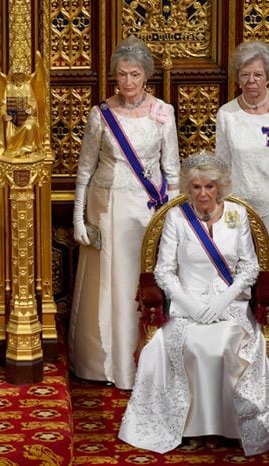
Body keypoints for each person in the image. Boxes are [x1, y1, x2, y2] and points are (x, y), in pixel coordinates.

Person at [119, 152, 269, 455]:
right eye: (197, 187)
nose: (203, 194)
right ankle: (193, 429)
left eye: (210, 187)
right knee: (196, 346)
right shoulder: (177, 217)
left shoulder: (236, 216)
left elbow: (249, 268)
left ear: (220, 187)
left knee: (224, 345)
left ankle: (226, 428)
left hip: (230, 307)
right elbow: (163, 271)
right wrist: (190, 305)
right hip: (188, 307)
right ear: (189, 188)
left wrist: (223, 301)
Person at [69, 36, 181, 390]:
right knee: (106, 284)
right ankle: (100, 363)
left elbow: (173, 172)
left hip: (146, 212)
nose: (128, 82)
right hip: (104, 207)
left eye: (134, 74)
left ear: (146, 75)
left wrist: (173, 221)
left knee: (140, 282)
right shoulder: (100, 114)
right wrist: (77, 218)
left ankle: (144, 360)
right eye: (121, 75)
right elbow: (84, 169)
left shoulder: (163, 113)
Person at [215, 40, 269, 233]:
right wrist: (221, 205)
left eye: (258, 75)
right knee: (235, 259)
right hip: (235, 205)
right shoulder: (227, 114)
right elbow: (221, 166)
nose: (251, 80)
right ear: (237, 78)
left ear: (267, 77)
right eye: (245, 75)